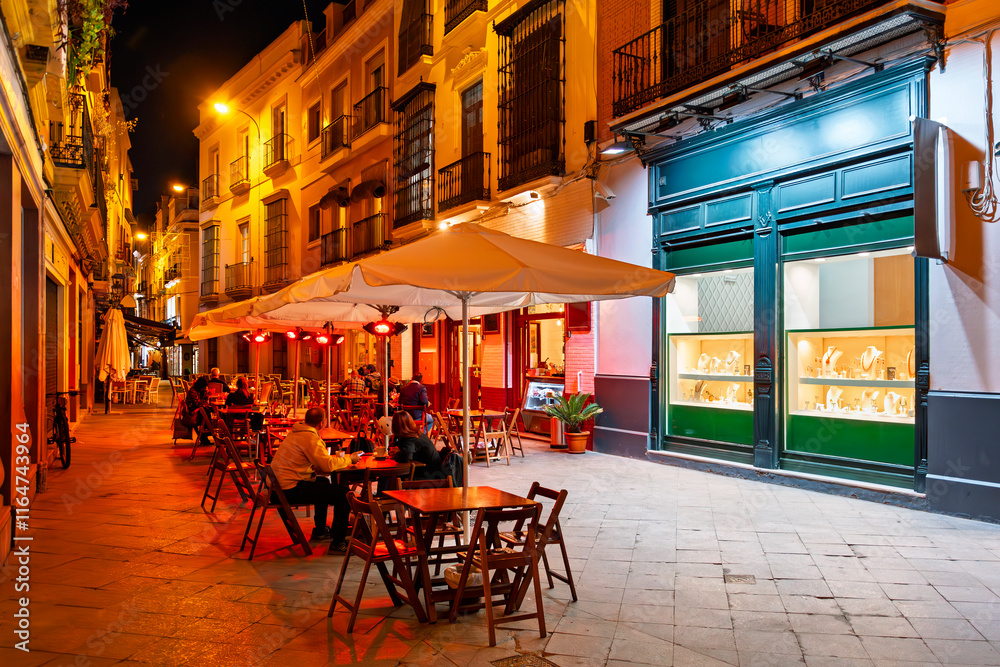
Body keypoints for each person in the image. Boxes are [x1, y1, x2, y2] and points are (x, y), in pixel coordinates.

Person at [269, 407, 352, 552]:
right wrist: (351, 459)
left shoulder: (296, 432)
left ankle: (320, 530)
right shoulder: (309, 437)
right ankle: (338, 543)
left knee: (323, 482)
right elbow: (327, 465)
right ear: (321, 423)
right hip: (288, 490)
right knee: (344, 494)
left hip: (277, 487)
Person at [390, 411, 443, 480]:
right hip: (433, 472)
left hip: (429, 477)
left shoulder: (410, 439)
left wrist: (396, 454)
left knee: (393, 475)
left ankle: (383, 491)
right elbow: (402, 446)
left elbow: (406, 457)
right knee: (391, 475)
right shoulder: (417, 434)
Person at [184, 377, 212, 445]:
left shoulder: (201, 390)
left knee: (209, 411)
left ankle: (205, 434)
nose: (205, 388)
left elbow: (204, 403)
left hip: (198, 408)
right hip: (192, 411)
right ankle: (207, 431)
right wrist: (206, 396)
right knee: (205, 413)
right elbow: (197, 404)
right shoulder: (193, 391)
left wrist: (206, 396)